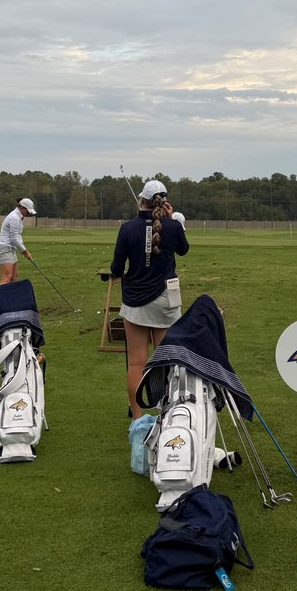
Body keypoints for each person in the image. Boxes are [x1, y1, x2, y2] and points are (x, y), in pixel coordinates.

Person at [110, 179, 189, 419]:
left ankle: (137, 419)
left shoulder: (127, 228)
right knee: (165, 361)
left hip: (135, 303)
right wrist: (172, 218)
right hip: (165, 301)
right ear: (164, 203)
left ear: (141, 200)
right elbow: (183, 250)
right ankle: (167, 414)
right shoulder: (173, 226)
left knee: (136, 364)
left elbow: (116, 268)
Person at [0, 198, 37, 284]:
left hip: (10, 249)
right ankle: (1, 297)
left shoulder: (19, 217)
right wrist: (25, 252)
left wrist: (22, 247)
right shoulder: (14, 218)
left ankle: (11, 297)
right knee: (6, 278)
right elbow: (14, 238)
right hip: (4, 249)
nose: (28, 214)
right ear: (22, 207)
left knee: (14, 277)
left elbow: (18, 234)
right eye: (27, 211)